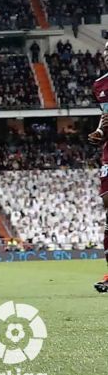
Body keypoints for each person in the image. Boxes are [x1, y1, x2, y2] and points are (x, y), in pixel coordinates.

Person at [87, 42, 108, 293]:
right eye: (105, 51)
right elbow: (105, 116)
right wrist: (100, 131)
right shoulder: (100, 85)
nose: (106, 55)